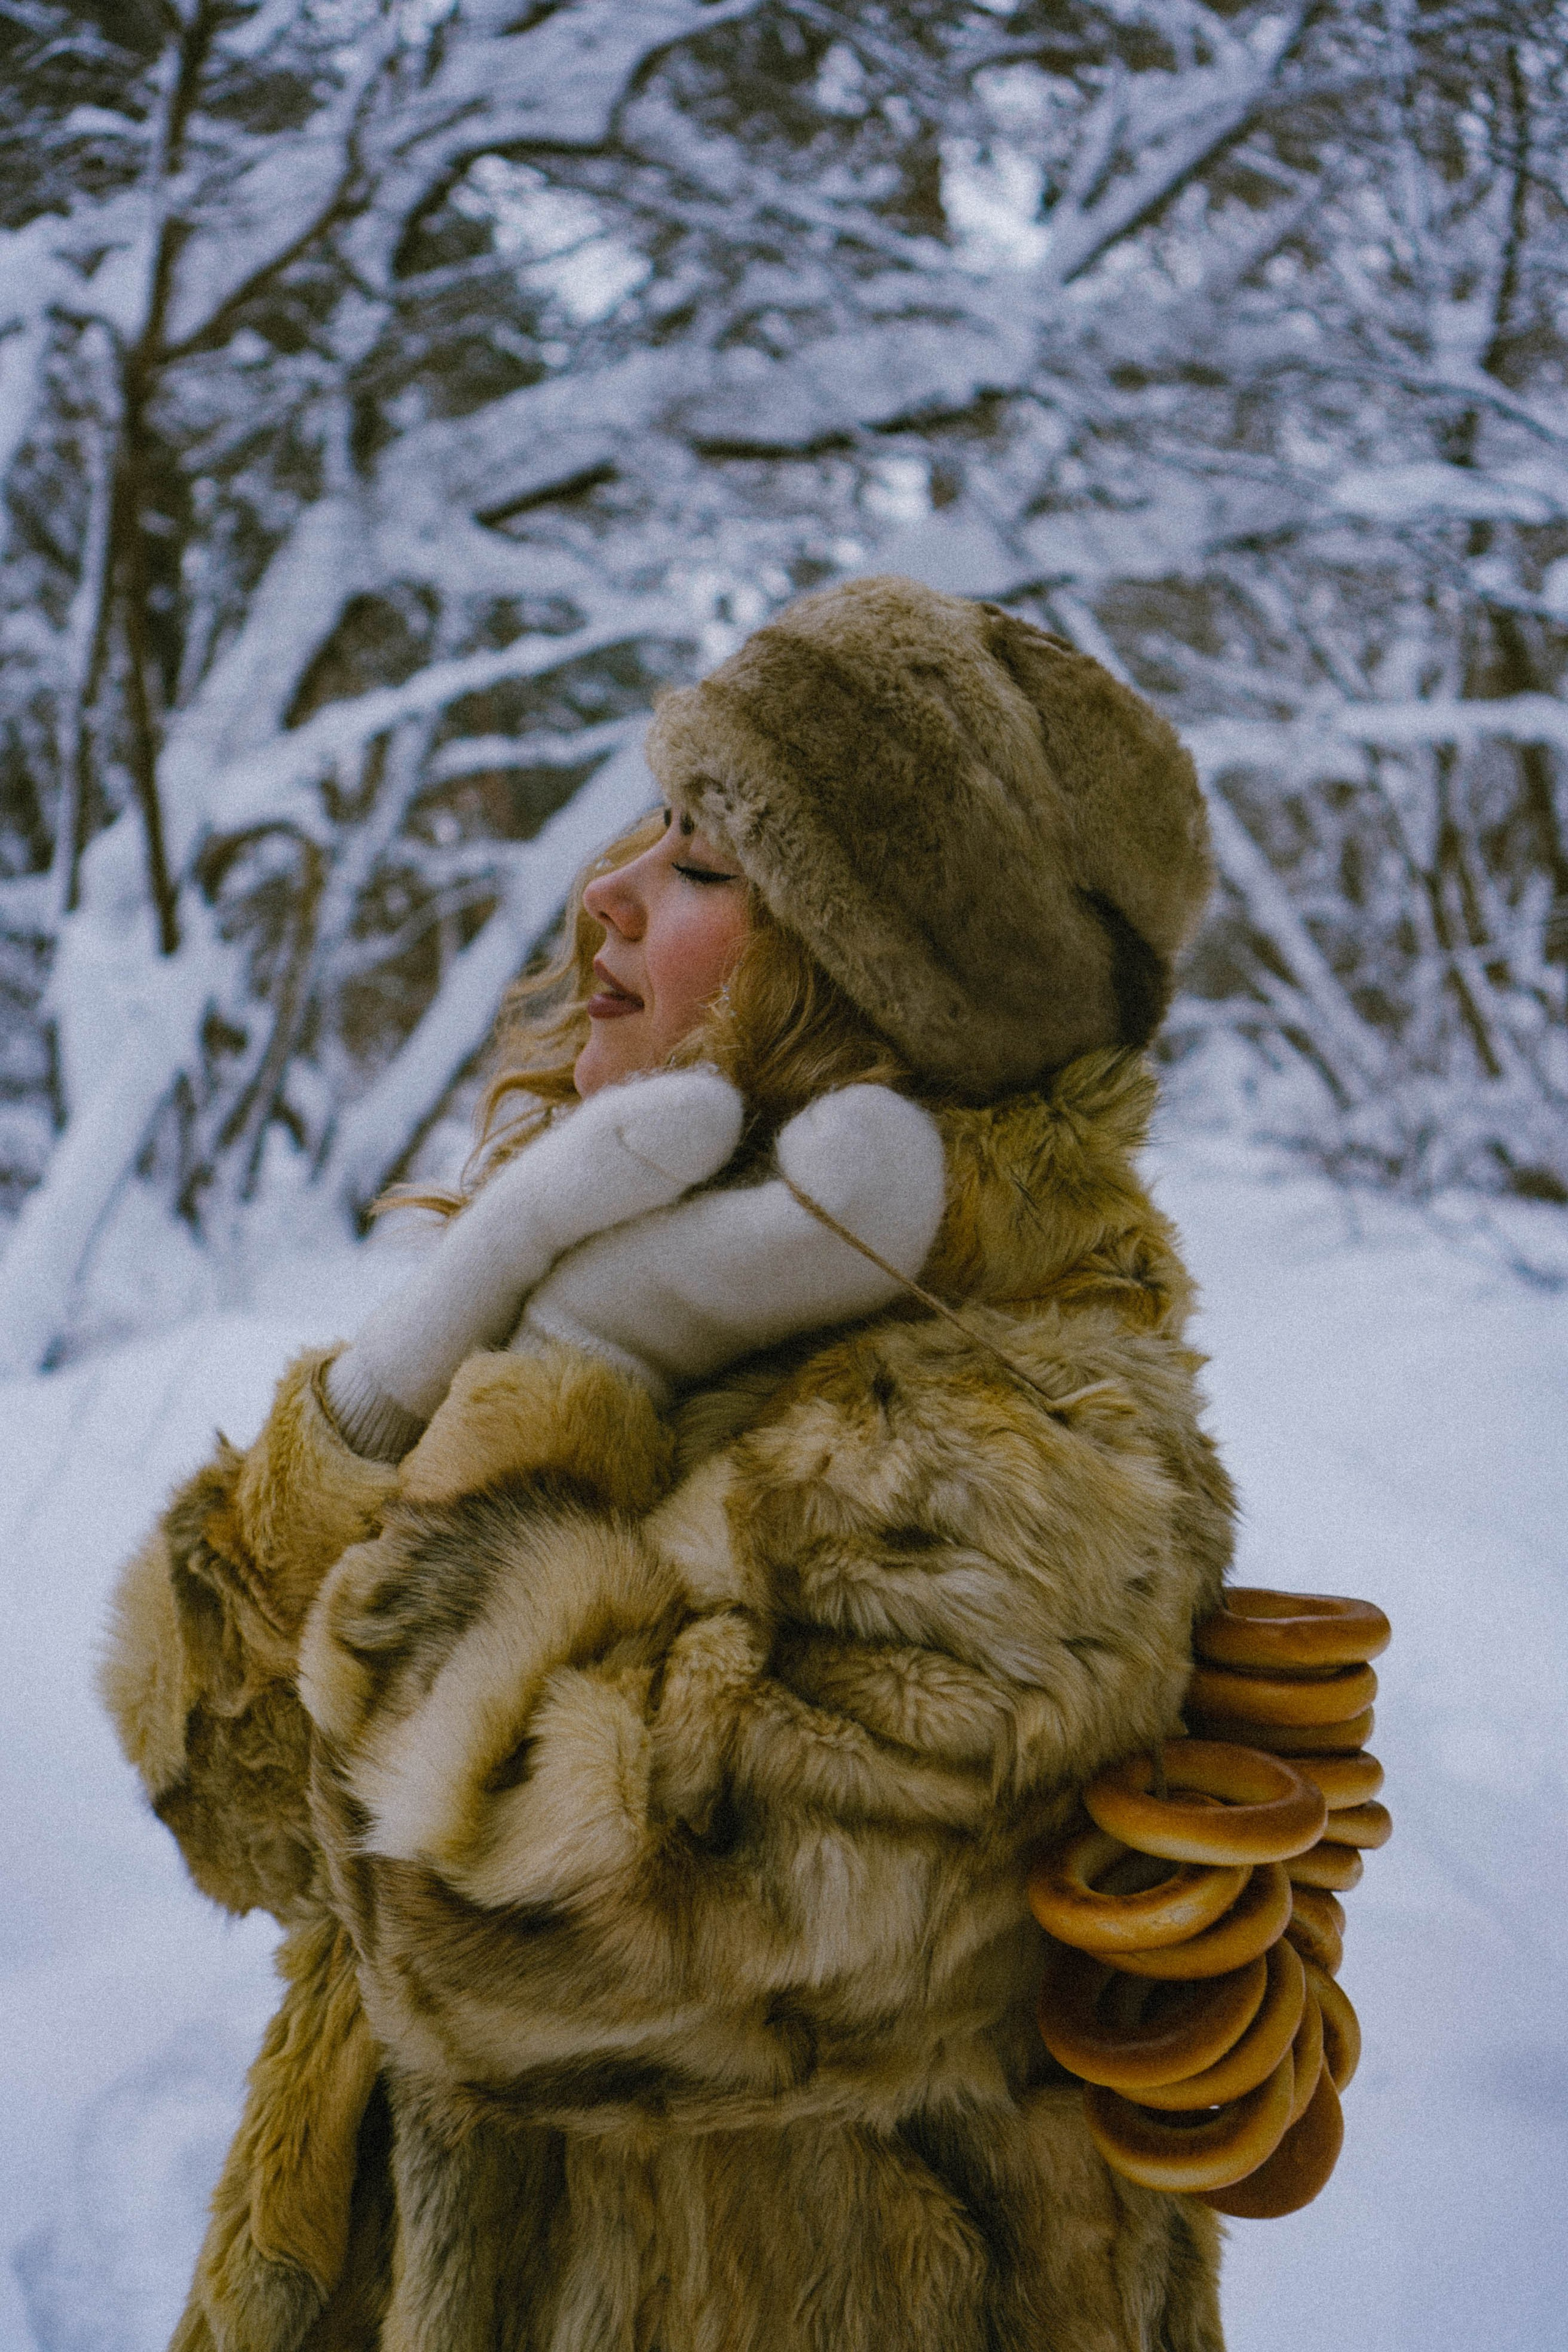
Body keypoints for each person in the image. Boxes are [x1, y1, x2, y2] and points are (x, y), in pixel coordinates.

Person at [101, 576, 1235, 2352]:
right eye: (650, 829)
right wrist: (418, 1360)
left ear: (883, 994)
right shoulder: (665, 1270)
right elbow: (223, 1789)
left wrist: (572, 1373)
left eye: (705, 867)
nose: (606, 893)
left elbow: (478, 1922)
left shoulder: (1023, 1468)